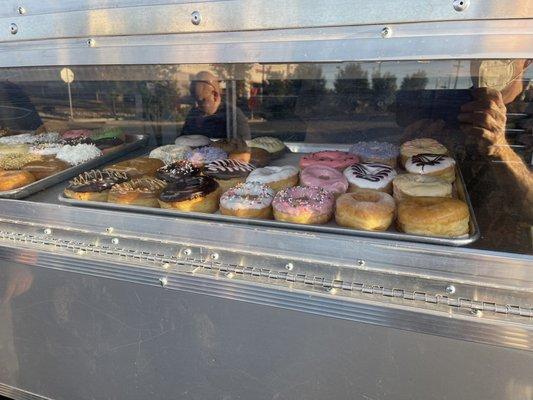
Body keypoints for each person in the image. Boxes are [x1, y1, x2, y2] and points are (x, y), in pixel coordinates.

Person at [404, 59, 532, 252]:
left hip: (505, 258)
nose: (483, 61)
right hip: (432, 241)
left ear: (527, 59)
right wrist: (412, 145)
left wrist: (501, 149)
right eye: (477, 54)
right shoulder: (450, 103)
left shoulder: (528, 113)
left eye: (499, 50)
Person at [179, 71, 250, 141]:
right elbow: (182, 140)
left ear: (215, 96)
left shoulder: (233, 116)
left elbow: (242, 151)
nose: (196, 105)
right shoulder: (194, 113)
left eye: (200, 100)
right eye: (193, 100)